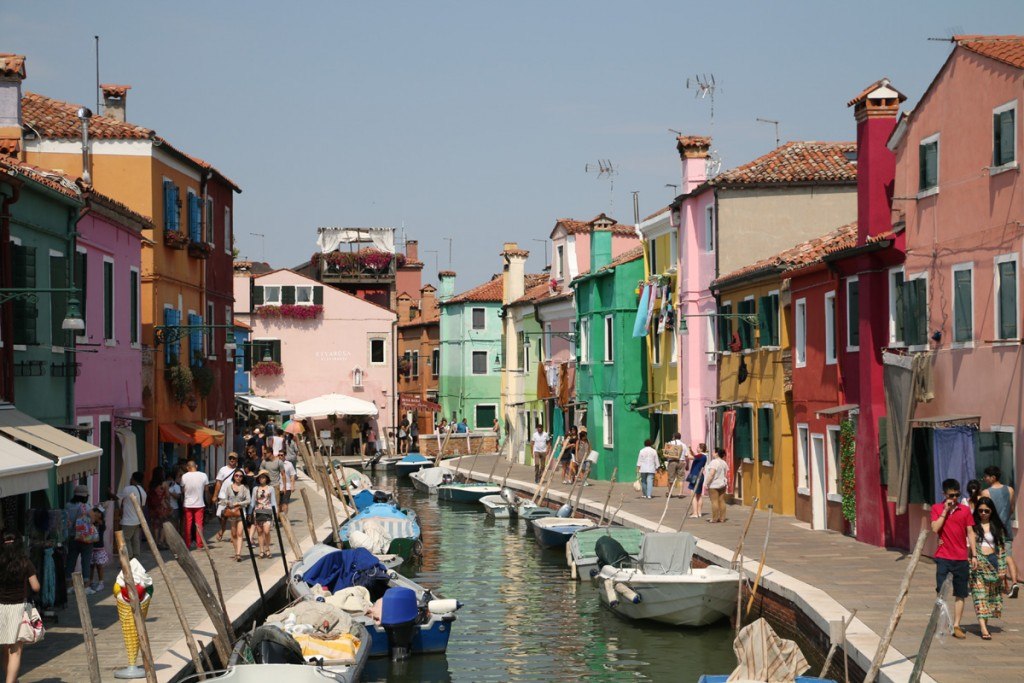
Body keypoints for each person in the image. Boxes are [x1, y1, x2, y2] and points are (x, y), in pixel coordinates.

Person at [931, 478, 973, 639]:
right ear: (944, 494)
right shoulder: (936, 508)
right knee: (941, 592)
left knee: (961, 592)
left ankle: (956, 625)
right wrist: (945, 511)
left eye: (956, 495)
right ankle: (940, 622)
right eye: (951, 495)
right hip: (943, 557)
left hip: (961, 557)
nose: (954, 498)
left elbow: (970, 532)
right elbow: (935, 528)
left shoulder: (965, 509)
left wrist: (973, 555)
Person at [0, 534, 41, 683]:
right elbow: (35, 587)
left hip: (0, 608)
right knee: (15, 651)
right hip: (18, 609)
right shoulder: (25, 563)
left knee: (5, 649)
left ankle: (11, 679)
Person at [970, 496, 1008, 639]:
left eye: (986, 511)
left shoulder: (997, 527)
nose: (983, 513)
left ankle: (984, 623)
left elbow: (1002, 550)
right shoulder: (972, 526)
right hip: (977, 565)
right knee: (979, 596)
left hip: (993, 563)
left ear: (991, 511)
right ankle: (983, 628)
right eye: (980, 511)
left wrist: (1003, 569)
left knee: (988, 597)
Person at [983, 465, 1020, 597]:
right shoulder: (1009, 490)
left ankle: (1003, 585)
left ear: (993, 477)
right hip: (1006, 527)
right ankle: (1013, 583)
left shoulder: (986, 493)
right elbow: (1011, 508)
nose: (984, 478)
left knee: (996, 557)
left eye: (986, 476)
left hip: (993, 529)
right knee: (1008, 555)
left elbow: (985, 512)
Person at [221, 469, 252, 562]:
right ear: (233, 477)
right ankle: (236, 552)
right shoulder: (229, 487)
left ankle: (238, 554)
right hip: (231, 513)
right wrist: (229, 503)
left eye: (240, 476)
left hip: (241, 512)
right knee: (233, 534)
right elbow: (225, 499)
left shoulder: (245, 487)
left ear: (243, 478)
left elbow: (248, 501)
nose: (238, 477)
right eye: (236, 475)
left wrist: (238, 504)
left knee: (239, 533)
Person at [64, 484, 91, 585]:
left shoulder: (68, 505)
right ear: (84, 496)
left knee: (71, 560)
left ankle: (68, 584)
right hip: (85, 537)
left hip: (72, 537)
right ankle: (86, 584)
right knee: (86, 561)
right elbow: (91, 520)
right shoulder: (86, 507)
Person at [181, 460, 210, 550]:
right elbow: (206, 490)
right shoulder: (203, 475)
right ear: (196, 466)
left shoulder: (184, 476)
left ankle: (187, 544)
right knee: (199, 525)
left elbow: (182, 490)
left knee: (188, 525)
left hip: (188, 504)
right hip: (199, 504)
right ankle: (199, 544)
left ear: (187, 467)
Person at [117, 472, 147, 559]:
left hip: (128, 520)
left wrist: (109, 493)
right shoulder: (143, 492)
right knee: (135, 540)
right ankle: (136, 557)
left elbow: (117, 497)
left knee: (125, 539)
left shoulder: (128, 489)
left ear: (133, 479)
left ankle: (129, 556)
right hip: (138, 520)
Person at [249, 471, 278, 559]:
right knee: (260, 532)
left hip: (268, 511)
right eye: (260, 477)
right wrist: (249, 513)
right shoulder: (255, 489)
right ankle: (261, 550)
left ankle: (267, 548)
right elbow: (253, 502)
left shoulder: (271, 488)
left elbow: (273, 502)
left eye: (263, 477)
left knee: (267, 531)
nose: (262, 479)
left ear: (267, 478)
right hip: (258, 512)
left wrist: (275, 512)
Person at [213, 453, 240, 542]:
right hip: (223, 496)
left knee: (233, 516)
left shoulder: (239, 470)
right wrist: (215, 495)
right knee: (220, 515)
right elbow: (218, 483)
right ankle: (223, 528)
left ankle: (233, 535)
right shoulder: (223, 470)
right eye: (230, 458)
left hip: (234, 496)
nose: (232, 460)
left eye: (234, 458)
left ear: (236, 460)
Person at [146, 468, 170, 549]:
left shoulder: (151, 484)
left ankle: (155, 542)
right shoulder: (164, 484)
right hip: (162, 507)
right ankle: (161, 541)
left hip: (153, 507)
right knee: (163, 524)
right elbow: (167, 496)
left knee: (155, 524)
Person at [704, 447, 730, 523]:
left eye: (713, 452)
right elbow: (726, 473)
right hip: (722, 483)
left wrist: (706, 483)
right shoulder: (724, 462)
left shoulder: (714, 462)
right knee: (722, 500)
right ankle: (722, 518)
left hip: (714, 484)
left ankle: (714, 518)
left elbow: (711, 473)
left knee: (714, 501)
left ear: (716, 453)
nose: (712, 453)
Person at [88, 507, 108, 594]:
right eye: (94, 513)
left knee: (99, 566)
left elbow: (101, 524)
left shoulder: (101, 523)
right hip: (91, 547)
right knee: (91, 566)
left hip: (99, 547)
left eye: (97, 513)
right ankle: (90, 582)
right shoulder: (91, 522)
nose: (95, 514)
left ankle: (101, 582)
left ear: (101, 514)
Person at [687, 444, 709, 518]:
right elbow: (694, 455)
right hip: (700, 475)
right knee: (699, 495)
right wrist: (691, 450)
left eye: (698, 447)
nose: (697, 448)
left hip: (694, 475)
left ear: (701, 449)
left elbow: (690, 457)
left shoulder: (700, 456)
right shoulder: (704, 456)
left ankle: (695, 513)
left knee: (693, 495)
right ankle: (699, 512)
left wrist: (687, 450)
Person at [165, 468, 182, 533]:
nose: (169, 481)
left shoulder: (176, 486)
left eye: (170, 479)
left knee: (175, 524)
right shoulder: (164, 486)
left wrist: (170, 492)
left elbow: (178, 496)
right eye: (168, 479)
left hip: (174, 508)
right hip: (166, 508)